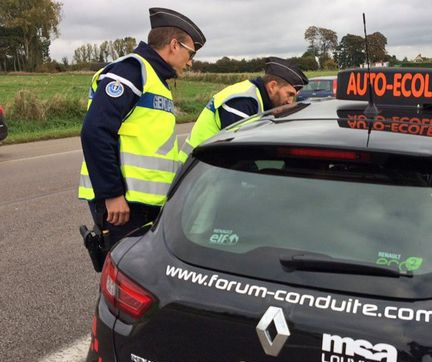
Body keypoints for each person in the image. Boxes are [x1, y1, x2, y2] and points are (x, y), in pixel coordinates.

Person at [78, 7, 206, 262]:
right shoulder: (131, 71)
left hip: (143, 204)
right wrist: (112, 195)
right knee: (126, 277)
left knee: (142, 273)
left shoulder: (157, 80)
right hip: (122, 204)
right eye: (190, 53)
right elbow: (95, 131)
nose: (190, 61)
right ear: (173, 45)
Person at [178, 57, 308, 163]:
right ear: (273, 86)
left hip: (208, 165)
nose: (290, 101)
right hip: (196, 168)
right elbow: (239, 154)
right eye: (289, 94)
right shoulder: (243, 101)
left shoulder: (260, 100)